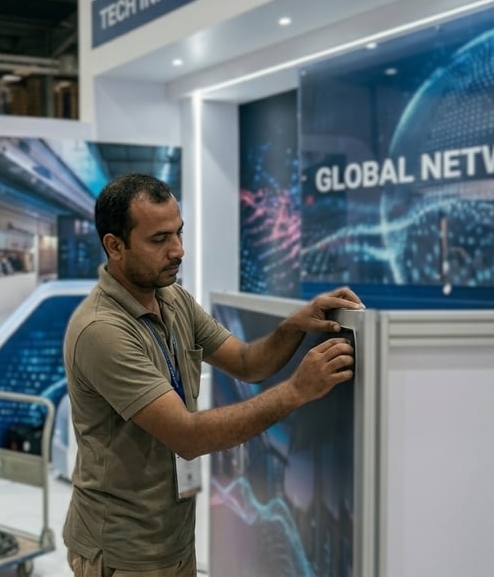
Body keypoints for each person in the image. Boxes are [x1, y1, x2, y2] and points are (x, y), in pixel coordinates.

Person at [62, 173, 363, 576]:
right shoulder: (102, 330)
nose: (178, 250)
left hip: (171, 538)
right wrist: (295, 391)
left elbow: (245, 361)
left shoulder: (173, 300)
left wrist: (294, 326)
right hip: (121, 552)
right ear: (114, 246)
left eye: (179, 233)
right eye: (159, 239)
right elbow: (187, 436)